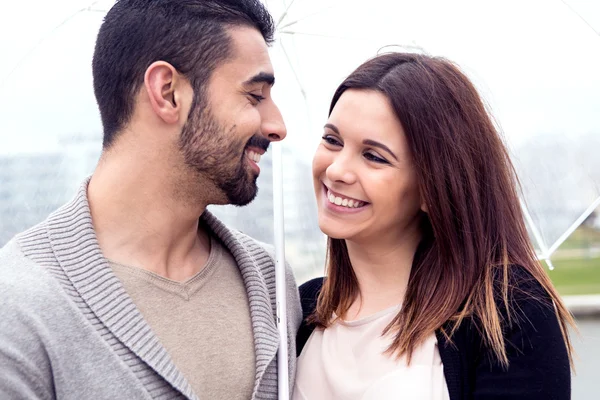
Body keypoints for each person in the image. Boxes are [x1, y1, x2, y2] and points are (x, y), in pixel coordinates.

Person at [0, 1, 302, 399]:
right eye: (255, 95)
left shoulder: (271, 281)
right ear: (167, 92)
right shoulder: (19, 307)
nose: (277, 126)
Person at [294, 52, 574, 400]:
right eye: (332, 140)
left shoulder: (509, 313)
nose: (336, 170)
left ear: (433, 187)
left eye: (374, 156)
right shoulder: (300, 309)